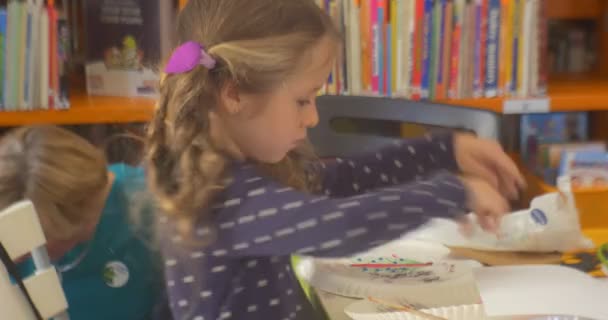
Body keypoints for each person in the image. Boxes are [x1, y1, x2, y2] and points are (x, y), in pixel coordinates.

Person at [145, 1, 526, 319]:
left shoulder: (239, 173)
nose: (312, 118)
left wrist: (443, 152)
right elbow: (336, 225)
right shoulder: (224, 199)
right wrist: (451, 192)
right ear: (234, 95)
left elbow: (341, 181)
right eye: (302, 100)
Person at [0, 125, 168, 320]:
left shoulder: (147, 210)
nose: (23, 254)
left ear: (81, 214)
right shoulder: (11, 242)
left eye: (44, 238)